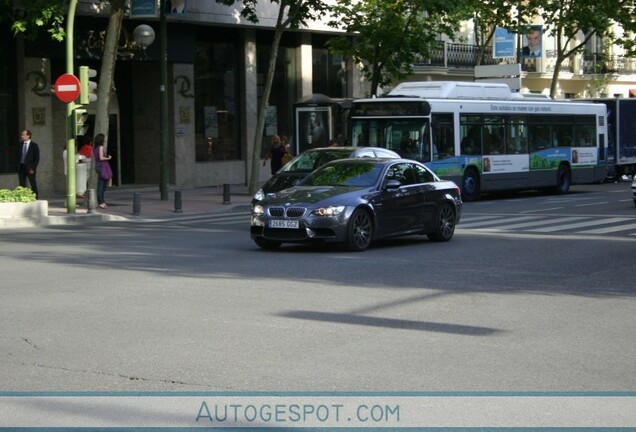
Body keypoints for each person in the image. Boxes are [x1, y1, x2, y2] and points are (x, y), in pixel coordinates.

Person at [17, 129, 40, 199]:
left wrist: (33, 168)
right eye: (22, 134)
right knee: (21, 183)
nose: (22, 136)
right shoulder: (20, 144)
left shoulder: (34, 145)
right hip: (21, 167)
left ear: (28, 136)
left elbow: (37, 158)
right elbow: (17, 156)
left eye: (23, 135)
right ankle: (22, 197)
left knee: (32, 183)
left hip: (30, 168)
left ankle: (35, 197)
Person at [93, 133, 112, 209]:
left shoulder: (95, 148)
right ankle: (101, 201)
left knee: (102, 184)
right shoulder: (100, 147)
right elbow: (101, 158)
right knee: (102, 185)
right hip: (102, 166)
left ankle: (102, 201)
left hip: (99, 166)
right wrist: (108, 158)